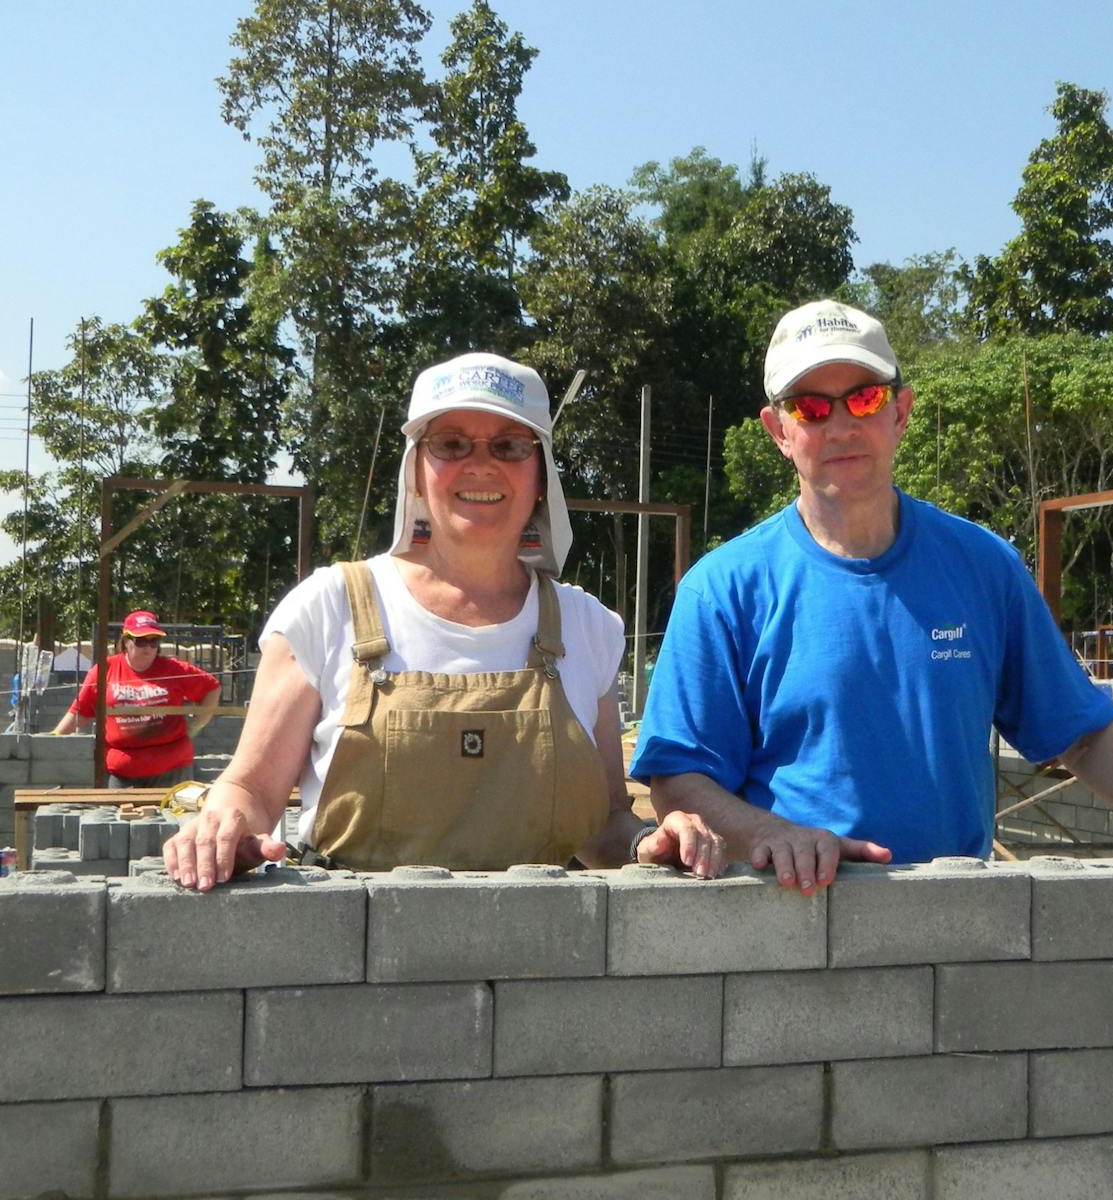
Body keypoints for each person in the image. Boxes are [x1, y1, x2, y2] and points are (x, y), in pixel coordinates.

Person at [631, 300, 1113, 893]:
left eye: (863, 398)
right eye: (811, 407)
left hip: (956, 927)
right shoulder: (724, 589)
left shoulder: (983, 567)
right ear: (779, 431)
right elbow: (678, 779)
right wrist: (771, 833)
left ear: (901, 411)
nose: (840, 425)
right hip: (793, 912)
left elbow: (1081, 733)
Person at [165, 353, 723, 891]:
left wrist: (647, 842)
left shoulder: (585, 627)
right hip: (347, 971)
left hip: (542, 965)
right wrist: (224, 823)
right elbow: (253, 789)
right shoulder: (329, 608)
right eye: (450, 444)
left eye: (509, 445)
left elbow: (603, 823)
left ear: (539, 474)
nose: (481, 464)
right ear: (415, 470)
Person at [53, 611, 221, 788]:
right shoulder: (105, 670)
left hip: (172, 770)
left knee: (173, 816)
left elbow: (212, 688)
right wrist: (53, 739)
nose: (148, 647)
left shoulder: (174, 669)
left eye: (154, 641)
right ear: (126, 641)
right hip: (121, 772)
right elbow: (80, 712)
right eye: (140, 641)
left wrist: (196, 725)